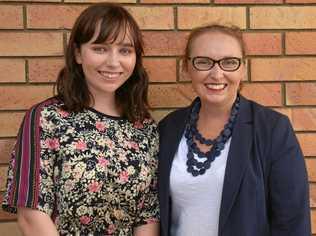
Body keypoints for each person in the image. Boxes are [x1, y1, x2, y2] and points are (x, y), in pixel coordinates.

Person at [2, 3, 159, 235]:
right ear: (77, 53)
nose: (114, 62)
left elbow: (148, 216)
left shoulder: (144, 127)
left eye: (125, 50)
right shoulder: (47, 118)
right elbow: (31, 215)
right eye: (100, 49)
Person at [158, 24, 311, 236]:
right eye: (203, 62)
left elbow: (292, 223)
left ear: (243, 68)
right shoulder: (168, 128)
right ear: (187, 67)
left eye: (229, 62)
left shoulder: (273, 130)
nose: (217, 73)